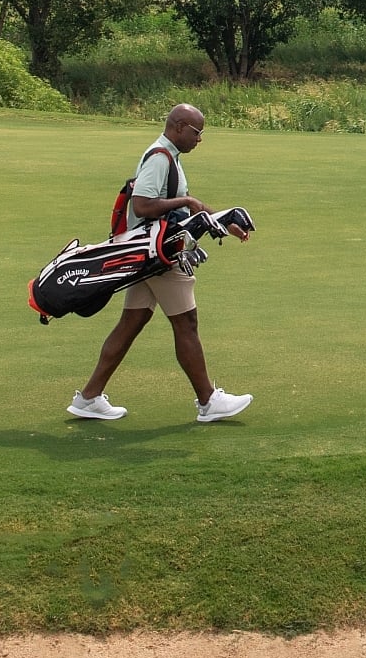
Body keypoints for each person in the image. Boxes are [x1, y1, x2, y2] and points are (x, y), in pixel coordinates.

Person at [66, 103, 254, 423]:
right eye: (197, 133)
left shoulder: (170, 158)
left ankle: (88, 397)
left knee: (130, 324)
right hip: (159, 255)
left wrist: (222, 221)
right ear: (179, 127)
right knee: (186, 324)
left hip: (149, 254)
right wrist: (187, 201)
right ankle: (208, 401)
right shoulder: (159, 157)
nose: (199, 139)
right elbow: (142, 204)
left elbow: (182, 210)